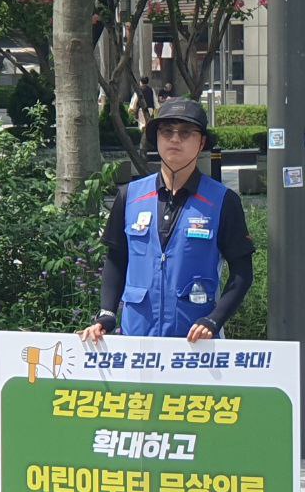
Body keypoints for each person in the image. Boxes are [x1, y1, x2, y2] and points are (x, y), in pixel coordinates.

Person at [80, 97, 254, 342]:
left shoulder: (222, 201)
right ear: (157, 139)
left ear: (202, 141)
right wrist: (106, 314)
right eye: (167, 131)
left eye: (185, 133)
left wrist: (214, 319)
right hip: (137, 342)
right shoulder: (129, 196)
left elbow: (242, 272)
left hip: (196, 346)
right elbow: (116, 259)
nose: (174, 139)